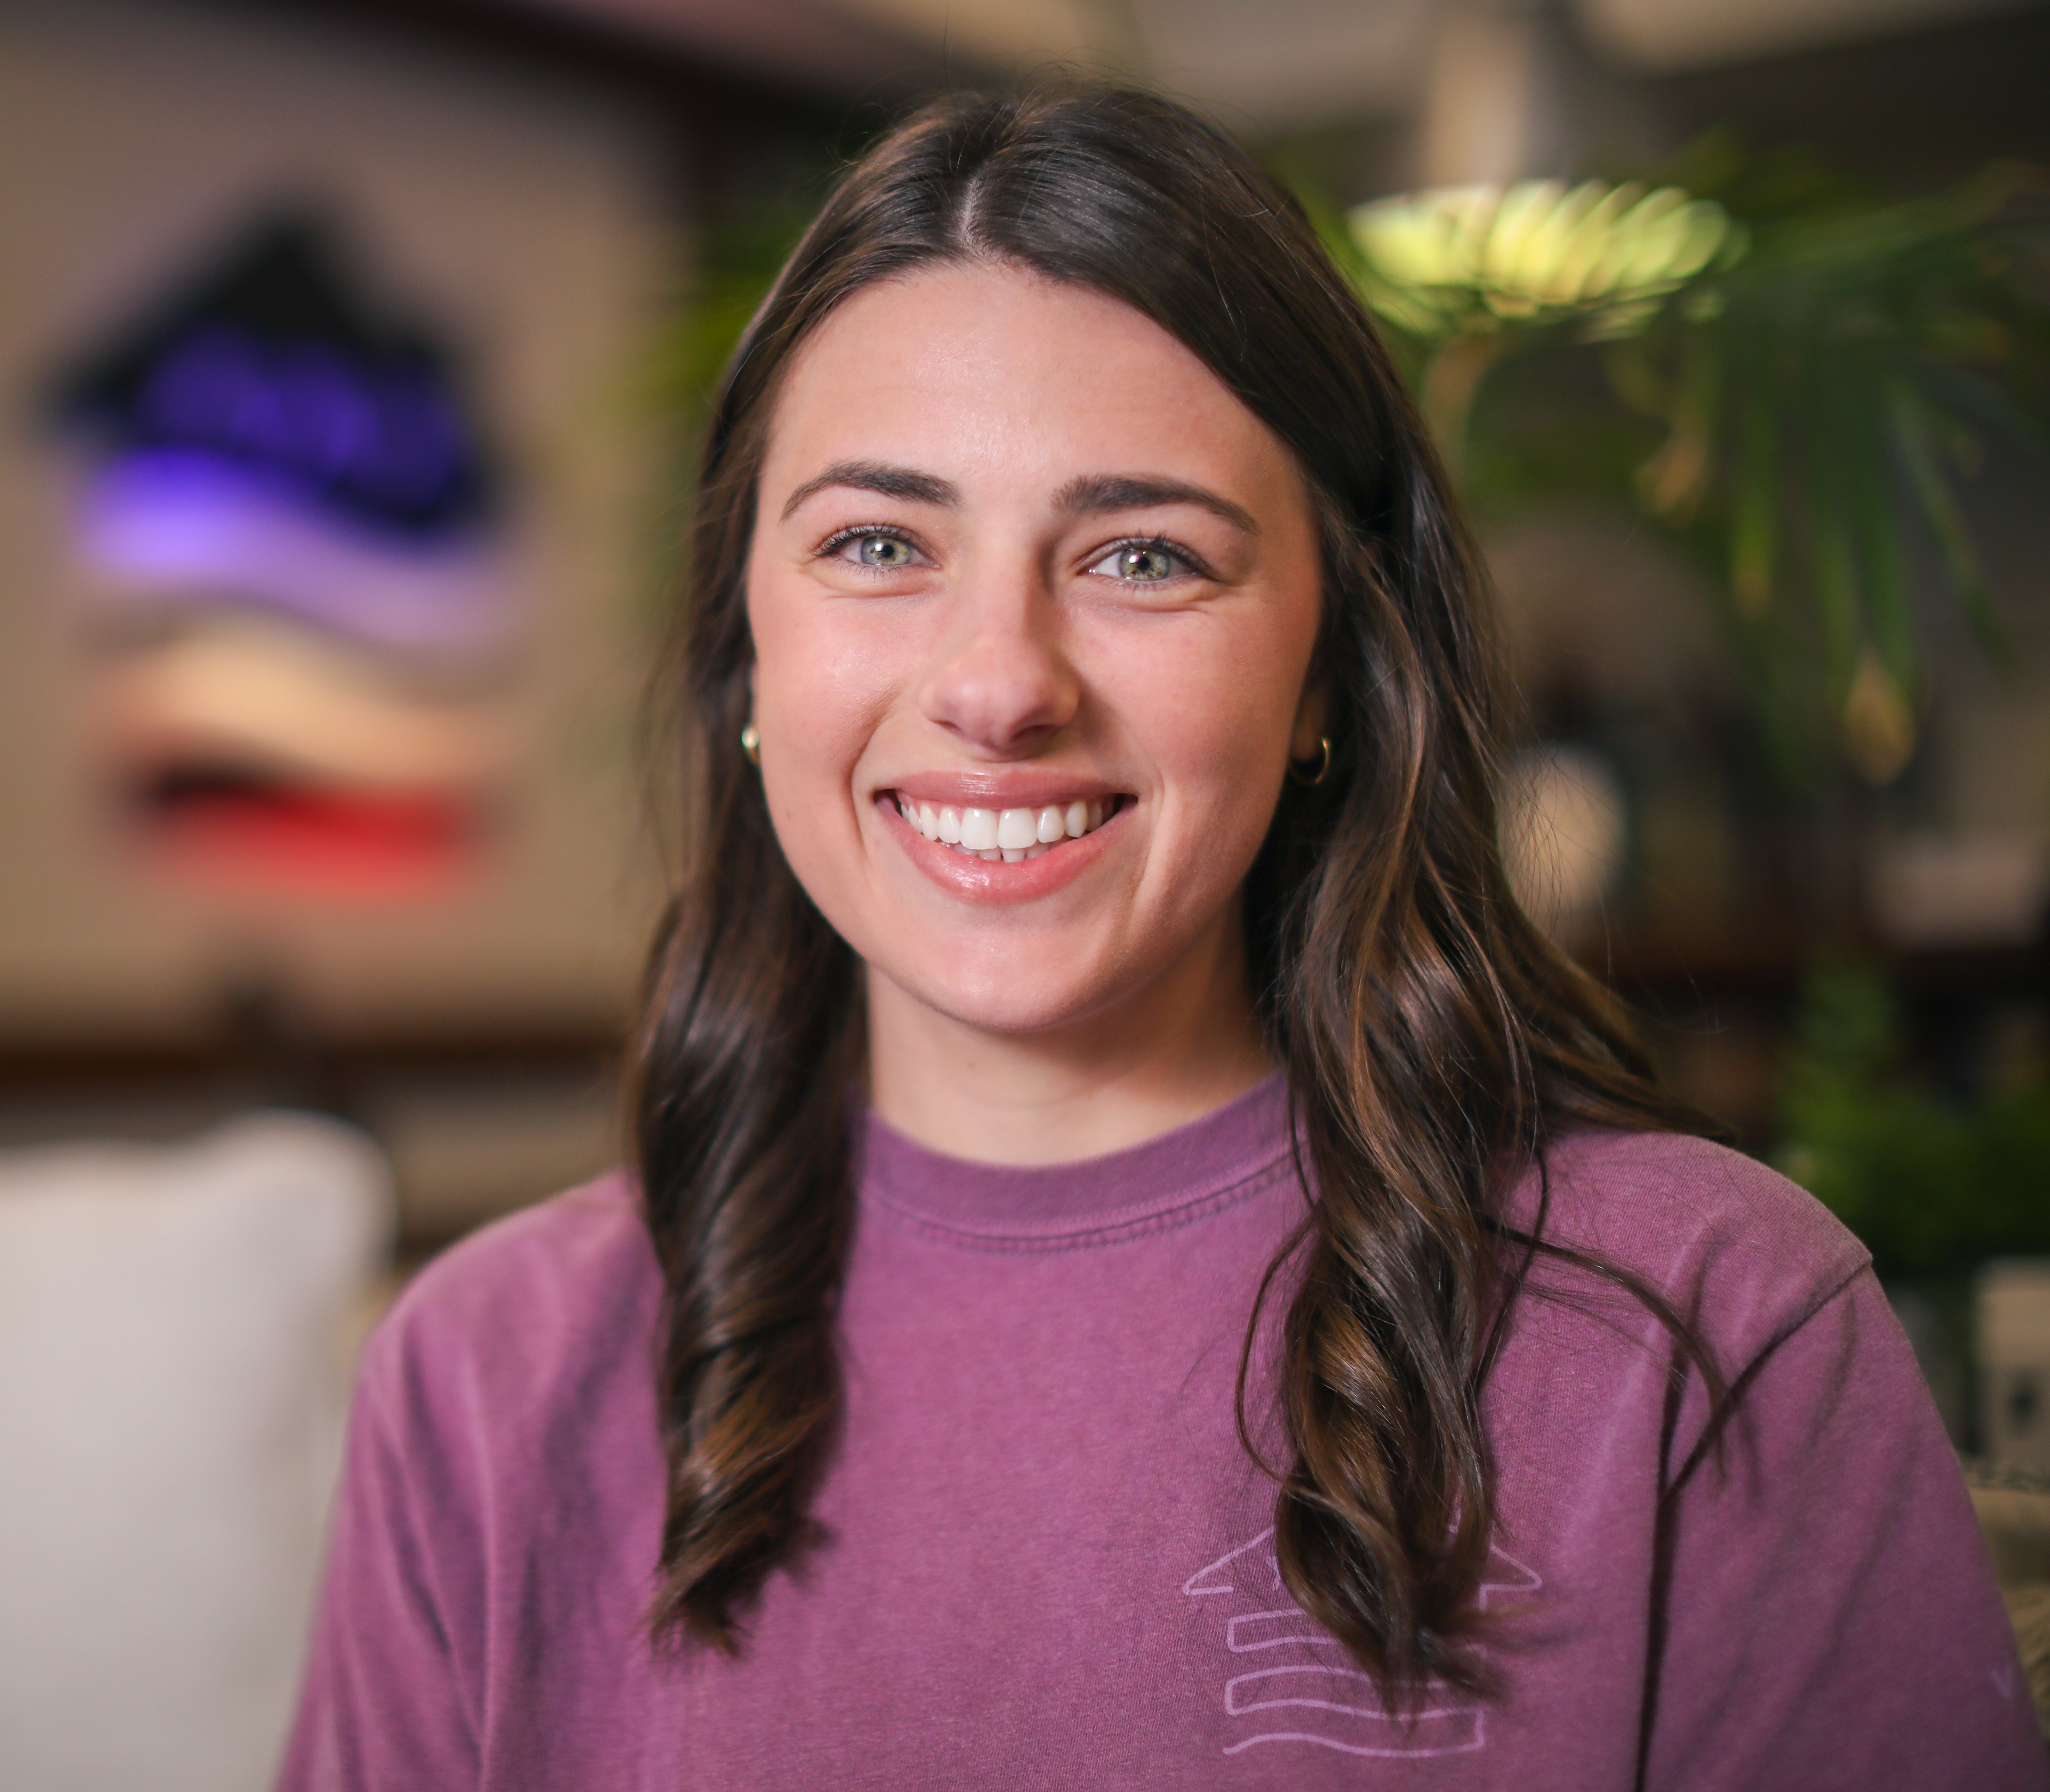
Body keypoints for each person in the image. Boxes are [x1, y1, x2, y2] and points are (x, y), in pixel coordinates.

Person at [276, 84, 2042, 1788]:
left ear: (1329, 673)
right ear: (752, 652)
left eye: (1142, 559)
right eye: (880, 541)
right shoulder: (484, 1380)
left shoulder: (1705, 1324)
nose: (996, 686)